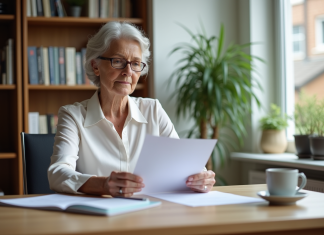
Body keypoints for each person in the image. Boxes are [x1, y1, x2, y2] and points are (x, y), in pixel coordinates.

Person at [48, 22, 216, 197]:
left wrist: (201, 179)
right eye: (118, 61)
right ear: (95, 66)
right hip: (97, 218)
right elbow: (58, 174)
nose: (128, 71)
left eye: (136, 63)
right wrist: (103, 185)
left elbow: (186, 166)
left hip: (149, 215)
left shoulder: (153, 110)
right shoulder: (72, 116)